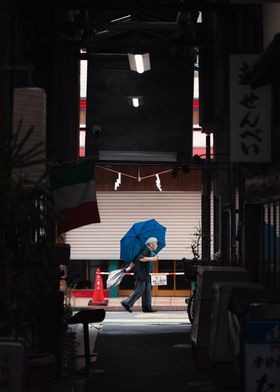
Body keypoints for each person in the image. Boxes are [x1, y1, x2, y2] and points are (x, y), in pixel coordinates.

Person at [121, 237, 159, 313]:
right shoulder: (146, 249)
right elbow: (141, 258)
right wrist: (152, 259)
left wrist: (129, 268)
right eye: (156, 243)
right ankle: (127, 303)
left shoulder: (143, 249)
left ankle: (147, 308)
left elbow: (134, 260)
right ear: (151, 244)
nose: (157, 245)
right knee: (140, 290)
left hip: (145, 274)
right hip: (141, 274)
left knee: (147, 291)